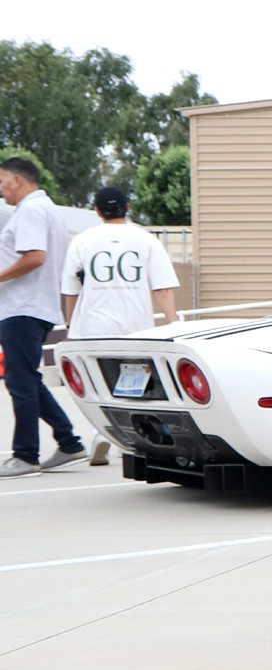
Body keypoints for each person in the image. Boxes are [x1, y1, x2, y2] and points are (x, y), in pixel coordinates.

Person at [62, 186, 182, 465]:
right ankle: (132, 438)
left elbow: (71, 290)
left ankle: (101, 431)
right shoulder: (145, 239)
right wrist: (173, 324)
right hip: (134, 327)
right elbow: (162, 288)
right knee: (134, 388)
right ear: (127, 207)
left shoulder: (82, 240)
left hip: (92, 328)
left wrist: (69, 323)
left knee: (97, 386)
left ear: (97, 211)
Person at [0, 157, 87, 477]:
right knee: (28, 379)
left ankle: (25, 455)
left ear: (17, 180)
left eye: (1, 181)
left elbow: (35, 257)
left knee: (19, 382)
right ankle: (69, 442)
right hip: (36, 306)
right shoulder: (50, 209)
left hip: (22, 307)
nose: (0, 189)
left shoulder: (31, 211)